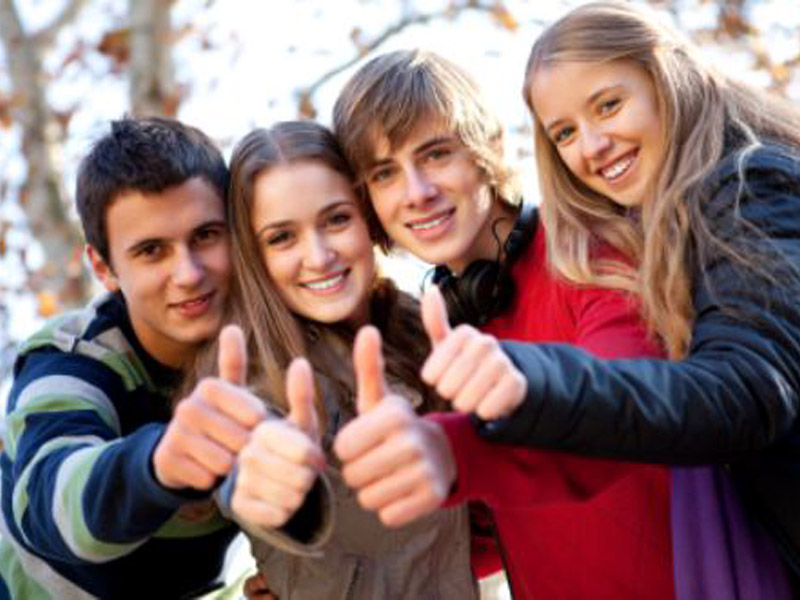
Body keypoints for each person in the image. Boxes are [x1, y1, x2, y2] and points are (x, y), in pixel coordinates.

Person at [331, 49, 677, 600]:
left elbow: (622, 403)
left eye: (436, 154)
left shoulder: (589, 251)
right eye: (385, 173)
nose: (417, 192)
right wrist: (313, 572)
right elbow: (485, 535)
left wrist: (457, 448)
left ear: (488, 147)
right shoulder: (441, 329)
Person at [190, 121, 481, 599]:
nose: (319, 256)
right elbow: (251, 463)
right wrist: (269, 478)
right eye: (282, 238)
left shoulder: (418, 327)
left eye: (336, 220)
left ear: (366, 216)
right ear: (254, 257)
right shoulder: (253, 378)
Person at [0, 116, 268, 599]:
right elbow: (55, 500)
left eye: (206, 235)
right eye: (151, 251)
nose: (188, 273)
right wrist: (160, 464)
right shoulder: (70, 360)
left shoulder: (271, 348)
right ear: (104, 268)